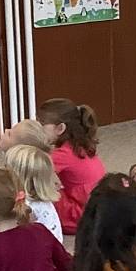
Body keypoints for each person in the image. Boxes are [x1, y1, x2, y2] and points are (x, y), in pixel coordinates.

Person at [37, 97, 106, 236]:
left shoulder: (62, 154)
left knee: (39, 192)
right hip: (98, 211)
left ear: (60, 128)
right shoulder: (80, 145)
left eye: (41, 124)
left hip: (79, 217)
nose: (37, 128)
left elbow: (33, 170)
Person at [3, 143, 64, 242]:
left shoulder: (25, 205)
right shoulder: (41, 198)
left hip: (39, 248)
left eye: (6, 168)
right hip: (54, 246)